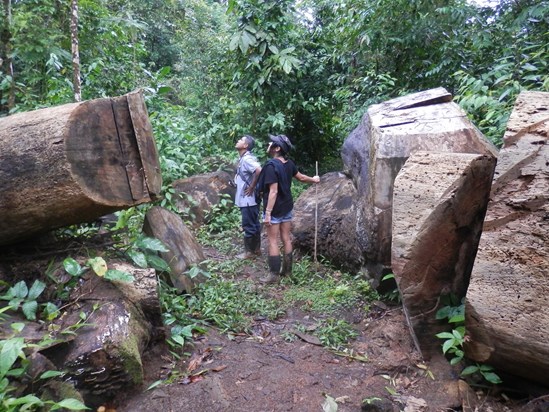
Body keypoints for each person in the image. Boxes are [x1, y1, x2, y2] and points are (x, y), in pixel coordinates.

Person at [259, 134, 320, 284]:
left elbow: (273, 191)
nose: (269, 144)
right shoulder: (289, 164)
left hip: (274, 209)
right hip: (287, 207)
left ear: (277, 148)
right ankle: (287, 271)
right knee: (286, 238)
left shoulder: (270, 166)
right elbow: (301, 178)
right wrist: (314, 179)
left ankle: (273, 276)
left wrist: (267, 213)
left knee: (273, 240)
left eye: (272, 143)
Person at [234, 135, 262, 259]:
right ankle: (256, 249)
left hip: (248, 199)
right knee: (254, 223)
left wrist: (251, 186)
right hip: (250, 199)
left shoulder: (247, 159)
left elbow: (259, 170)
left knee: (248, 225)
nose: (238, 141)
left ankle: (249, 252)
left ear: (245, 146)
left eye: (241, 140)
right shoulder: (243, 159)